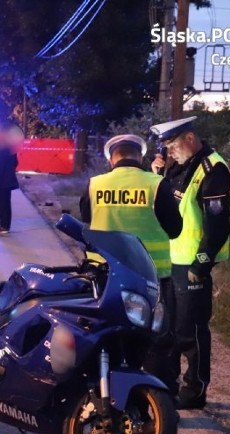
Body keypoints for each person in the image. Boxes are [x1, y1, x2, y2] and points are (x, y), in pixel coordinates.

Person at [79, 134, 182, 391]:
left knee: (105, 332)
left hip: (104, 275)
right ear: (140, 156)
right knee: (156, 338)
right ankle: (159, 399)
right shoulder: (157, 185)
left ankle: (102, 391)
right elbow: (175, 229)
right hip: (151, 276)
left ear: (112, 158)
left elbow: (86, 220)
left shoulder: (94, 184)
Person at [149, 117, 230, 410]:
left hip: (192, 264)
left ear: (189, 138)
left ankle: (194, 391)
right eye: (166, 147)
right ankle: (165, 387)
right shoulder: (177, 166)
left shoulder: (213, 169)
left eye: (172, 145)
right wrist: (156, 175)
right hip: (169, 262)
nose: (169, 152)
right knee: (166, 329)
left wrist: (202, 264)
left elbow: (218, 225)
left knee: (191, 331)